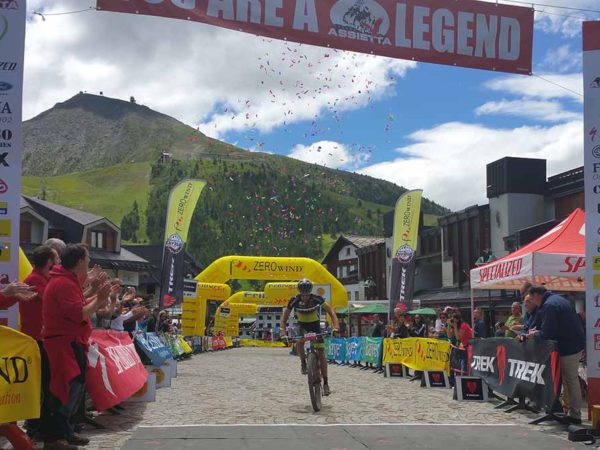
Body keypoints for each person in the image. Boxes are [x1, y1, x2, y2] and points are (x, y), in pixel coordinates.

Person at [41, 244, 111, 450]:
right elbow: (78, 314)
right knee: (65, 387)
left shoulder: (66, 280)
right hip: (63, 343)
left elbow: (78, 304)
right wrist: (99, 299)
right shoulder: (63, 282)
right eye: (87, 258)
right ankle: (56, 436)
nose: (89, 261)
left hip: (69, 341)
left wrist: (96, 293)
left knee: (73, 385)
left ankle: (64, 431)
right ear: (80, 260)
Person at [524, 285, 585, 424]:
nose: (532, 302)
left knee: (570, 380)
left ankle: (575, 415)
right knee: (569, 380)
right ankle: (571, 412)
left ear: (536, 295)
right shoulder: (557, 299)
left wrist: (534, 334)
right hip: (572, 344)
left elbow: (548, 333)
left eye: (532, 299)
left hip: (568, 347)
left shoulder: (549, 305)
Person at [281, 278, 340, 397]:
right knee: (299, 341)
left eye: (307, 295)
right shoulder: (294, 300)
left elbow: (331, 312)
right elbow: (284, 318)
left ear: (310, 292)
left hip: (314, 325)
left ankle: (326, 383)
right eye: (302, 295)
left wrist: (336, 327)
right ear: (299, 293)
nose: (305, 297)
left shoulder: (317, 298)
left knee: (321, 352)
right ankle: (303, 362)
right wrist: (283, 332)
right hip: (301, 325)